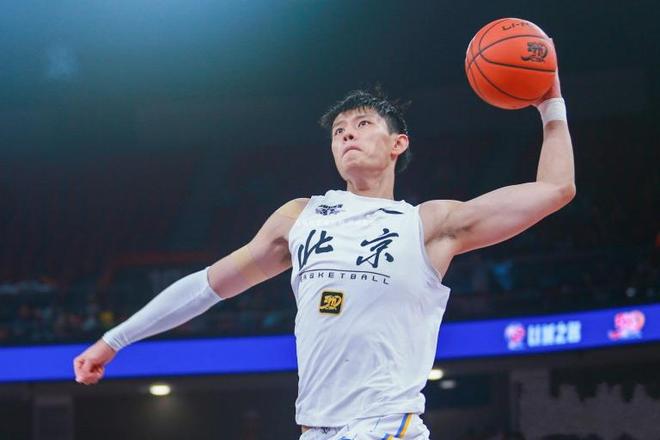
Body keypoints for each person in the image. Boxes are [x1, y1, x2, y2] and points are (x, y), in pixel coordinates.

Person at [73, 72, 575, 439]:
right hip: (316, 429)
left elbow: (554, 189)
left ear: (398, 143)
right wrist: (115, 339)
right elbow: (207, 286)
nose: (347, 134)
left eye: (362, 124)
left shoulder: (428, 224)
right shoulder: (300, 217)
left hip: (386, 425)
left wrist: (550, 102)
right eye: (338, 131)